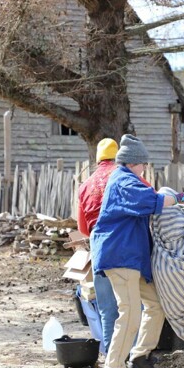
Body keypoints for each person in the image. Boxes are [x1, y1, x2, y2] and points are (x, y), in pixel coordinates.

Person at [92, 134, 184, 368]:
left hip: (131, 258)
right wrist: (178, 199)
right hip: (119, 256)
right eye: (143, 163)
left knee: (156, 304)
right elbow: (151, 201)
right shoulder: (123, 180)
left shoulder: (127, 179)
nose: (145, 167)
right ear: (133, 162)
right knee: (130, 314)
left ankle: (140, 358)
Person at [77, 138, 120, 354]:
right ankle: (134, 354)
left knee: (106, 306)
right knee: (132, 304)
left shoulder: (86, 185)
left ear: (97, 160)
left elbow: (83, 228)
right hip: (125, 244)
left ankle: (111, 354)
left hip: (99, 247)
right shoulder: (124, 177)